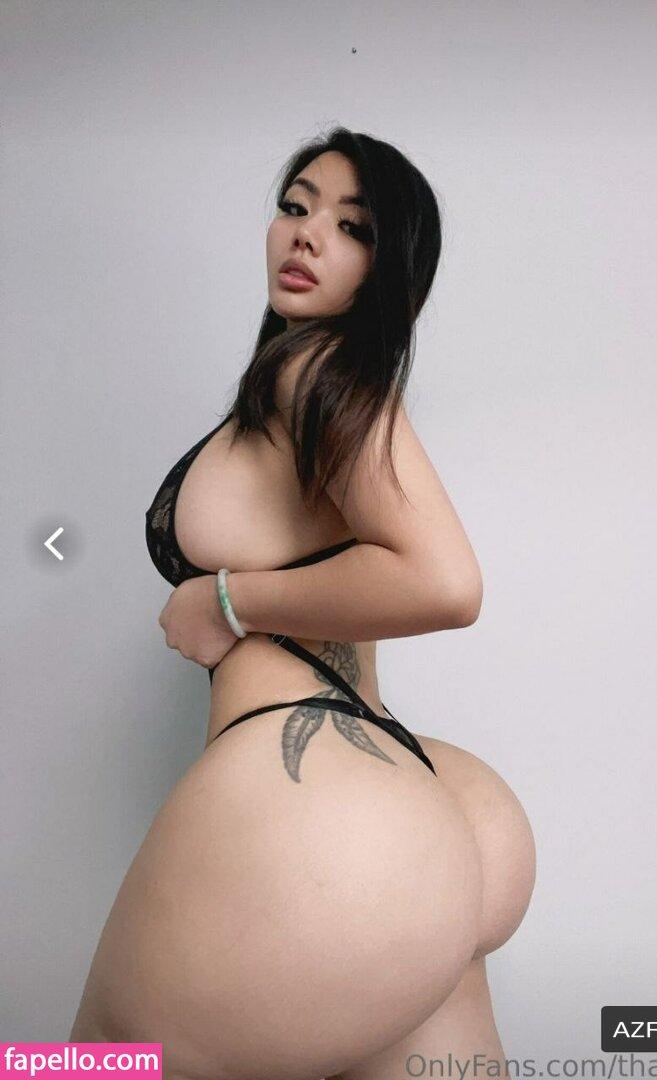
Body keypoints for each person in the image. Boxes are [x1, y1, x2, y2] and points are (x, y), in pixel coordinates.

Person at [69, 128, 536, 1080]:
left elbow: (445, 582)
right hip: (434, 808)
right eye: (295, 206)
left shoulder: (310, 372)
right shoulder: (324, 387)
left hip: (319, 817)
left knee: (82, 1068)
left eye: (351, 226)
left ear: (388, 268)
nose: (307, 234)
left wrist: (228, 601)